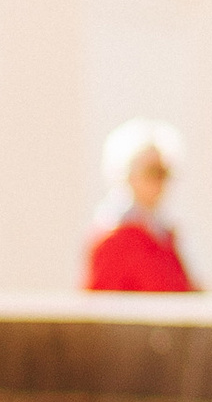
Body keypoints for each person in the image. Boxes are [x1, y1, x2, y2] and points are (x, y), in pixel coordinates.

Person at [83, 120, 199, 292]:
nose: (161, 182)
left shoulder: (162, 235)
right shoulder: (114, 238)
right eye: (153, 172)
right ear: (128, 174)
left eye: (164, 173)